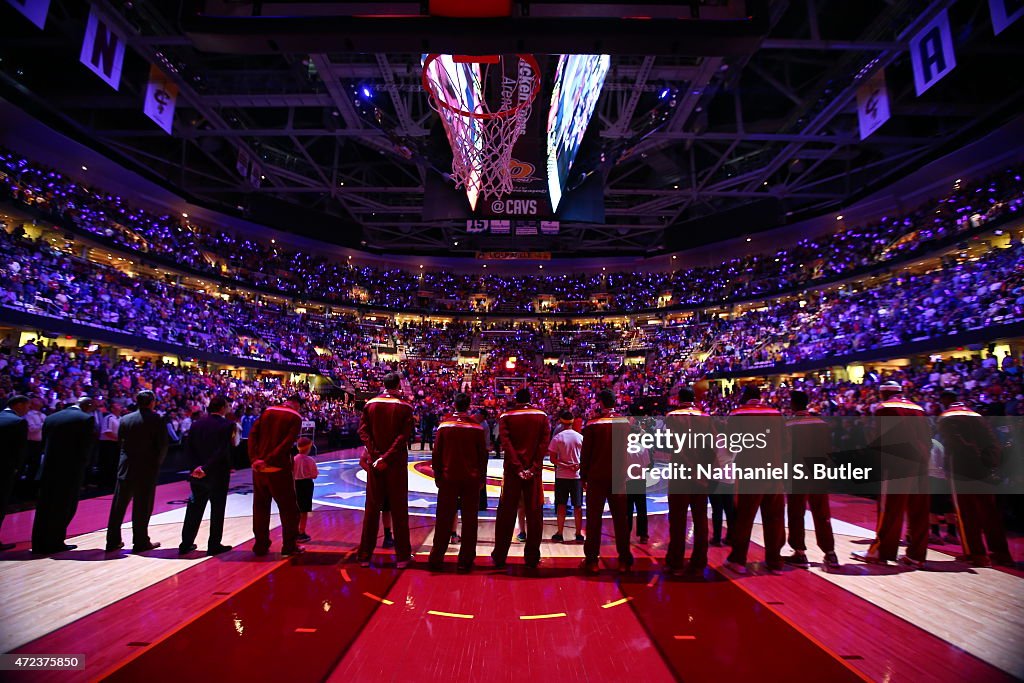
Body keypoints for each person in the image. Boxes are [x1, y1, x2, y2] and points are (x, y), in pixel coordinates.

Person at [851, 382, 931, 568]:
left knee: (890, 508)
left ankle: (881, 551)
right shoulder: (918, 408)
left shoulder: (884, 407)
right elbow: (927, 437)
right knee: (919, 511)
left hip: (897, 463)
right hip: (921, 461)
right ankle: (916, 555)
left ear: (883, 393)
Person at [937, 391, 1013, 567]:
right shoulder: (977, 415)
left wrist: (972, 462)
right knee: (990, 514)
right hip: (984, 471)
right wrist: (989, 465)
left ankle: (976, 554)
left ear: (945, 401)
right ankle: (1001, 554)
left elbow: (956, 444)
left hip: (961, 471)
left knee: (966, 514)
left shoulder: (946, 417)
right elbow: (993, 442)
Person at [724, 385, 789, 574]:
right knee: (775, 518)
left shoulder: (738, 414)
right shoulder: (776, 413)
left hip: (750, 473)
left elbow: (730, 446)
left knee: (744, 517)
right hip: (774, 473)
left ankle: (738, 560)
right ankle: (775, 561)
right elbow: (785, 445)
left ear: (744, 397)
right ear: (760, 397)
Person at [357, 374, 415, 568]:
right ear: (399, 385)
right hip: (395, 465)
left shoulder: (370, 404)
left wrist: (375, 456)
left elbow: (363, 432)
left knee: (372, 509)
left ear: (383, 384)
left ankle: (365, 556)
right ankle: (402, 557)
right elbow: (402, 438)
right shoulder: (405, 406)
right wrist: (386, 457)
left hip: (375, 464)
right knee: (399, 509)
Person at [492, 388, 550, 570]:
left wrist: (518, 467)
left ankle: (500, 556)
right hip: (534, 474)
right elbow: (543, 445)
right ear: (530, 399)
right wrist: (532, 468)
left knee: (506, 514)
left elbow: (506, 445)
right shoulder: (542, 416)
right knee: (534, 515)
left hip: (512, 473)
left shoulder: (506, 416)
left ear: (516, 400)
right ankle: (532, 557)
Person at [428, 393, 487, 571]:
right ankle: (466, 560)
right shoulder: (476, 427)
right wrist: (481, 478)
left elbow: (436, 454)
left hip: (448, 478)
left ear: (454, 405)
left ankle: (437, 558)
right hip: (471, 479)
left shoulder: (444, 425)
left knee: (444, 519)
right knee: (470, 520)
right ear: (469, 405)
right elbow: (482, 456)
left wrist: (438, 476)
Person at [105, 390, 169, 553]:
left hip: (126, 467)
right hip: (147, 468)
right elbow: (162, 446)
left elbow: (121, 442)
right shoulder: (158, 419)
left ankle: (112, 541)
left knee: (118, 507)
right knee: (143, 506)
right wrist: (156, 465)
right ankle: (140, 542)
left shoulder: (125, 418)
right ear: (152, 402)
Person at [31, 397, 96, 554]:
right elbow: (85, 448)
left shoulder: (51, 417)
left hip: (48, 467)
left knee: (44, 506)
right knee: (64, 506)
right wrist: (84, 469)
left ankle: (38, 542)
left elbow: (44, 443)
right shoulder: (86, 419)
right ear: (87, 405)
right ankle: (55, 542)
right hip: (70, 469)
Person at [784, 390, 840, 571]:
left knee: (796, 513)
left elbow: (785, 452)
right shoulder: (822, 423)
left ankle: (799, 552)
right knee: (822, 513)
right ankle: (830, 553)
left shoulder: (789, 425)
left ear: (793, 404)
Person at [580, 389, 632, 573]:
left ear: (600, 402)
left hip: (597, 476)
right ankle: (624, 560)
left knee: (594, 519)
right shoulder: (625, 422)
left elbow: (586, 453)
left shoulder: (593, 424)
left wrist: (583, 476)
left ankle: (592, 560)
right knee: (621, 520)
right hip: (618, 476)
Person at [664, 388, 714, 577]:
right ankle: (700, 561)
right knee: (700, 519)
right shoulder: (706, 417)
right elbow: (712, 448)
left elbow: (667, 444)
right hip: (701, 474)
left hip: (680, 474)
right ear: (693, 399)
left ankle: (676, 562)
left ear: (678, 399)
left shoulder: (671, 416)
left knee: (677, 520)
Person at [249, 394, 305, 556]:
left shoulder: (267, 411)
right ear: (297, 404)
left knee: (260, 508)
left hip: (259, 470)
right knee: (289, 510)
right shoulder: (295, 417)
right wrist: (268, 459)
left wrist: (255, 459)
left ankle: (260, 545)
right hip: (278, 469)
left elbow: (252, 436)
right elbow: (286, 443)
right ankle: (289, 547)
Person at [179, 395, 235, 556]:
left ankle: (186, 543)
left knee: (194, 508)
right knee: (217, 509)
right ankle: (214, 544)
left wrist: (195, 468)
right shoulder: (228, 424)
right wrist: (207, 467)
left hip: (197, 473)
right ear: (223, 408)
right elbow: (222, 451)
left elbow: (188, 448)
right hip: (217, 473)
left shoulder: (196, 424)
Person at [548, 410, 584, 543]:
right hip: (576, 476)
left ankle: (560, 532)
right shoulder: (580, 437)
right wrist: (577, 465)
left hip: (562, 475)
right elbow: (585, 458)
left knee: (561, 505)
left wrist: (564, 464)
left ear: (561, 422)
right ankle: (578, 533)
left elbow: (552, 459)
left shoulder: (557, 438)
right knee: (578, 506)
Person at [0, 395, 30, 551]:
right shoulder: (18, 422)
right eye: (26, 406)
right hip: (5, 469)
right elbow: (20, 450)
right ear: (18, 405)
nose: (27, 409)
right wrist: (18, 468)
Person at [294, 437, 319, 543]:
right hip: (306, 485)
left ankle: (293, 531)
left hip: (295, 484)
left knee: (295, 509)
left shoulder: (294, 459)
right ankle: (301, 532)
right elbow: (314, 475)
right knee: (304, 511)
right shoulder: (310, 460)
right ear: (308, 448)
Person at [97, 401, 122, 492]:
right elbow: (107, 432)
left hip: (116, 444)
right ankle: (104, 484)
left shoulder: (120, 418)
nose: (120, 406)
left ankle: (112, 483)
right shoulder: (109, 418)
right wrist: (120, 439)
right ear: (112, 409)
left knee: (115, 464)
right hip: (108, 444)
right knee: (107, 464)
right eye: (118, 405)